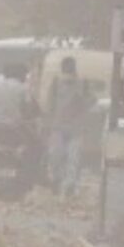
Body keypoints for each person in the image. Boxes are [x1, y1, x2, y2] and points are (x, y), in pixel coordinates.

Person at [44, 55, 95, 194]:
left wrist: (82, 102)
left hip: (76, 128)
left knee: (74, 157)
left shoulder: (83, 84)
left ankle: (70, 185)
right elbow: (49, 105)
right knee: (55, 155)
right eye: (66, 67)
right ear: (62, 68)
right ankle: (56, 179)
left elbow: (92, 101)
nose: (68, 70)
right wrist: (47, 125)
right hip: (58, 127)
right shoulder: (56, 83)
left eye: (70, 67)